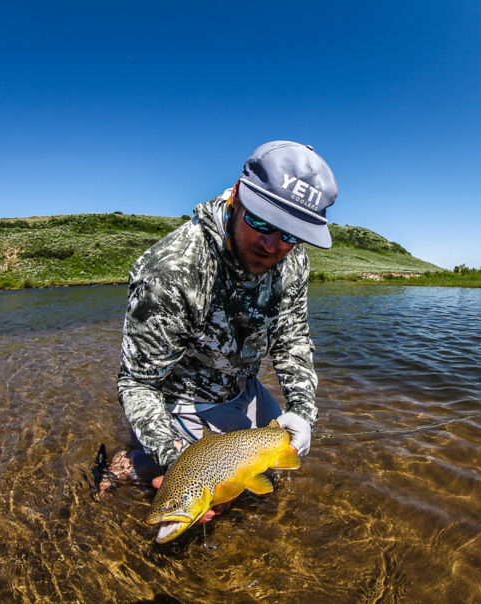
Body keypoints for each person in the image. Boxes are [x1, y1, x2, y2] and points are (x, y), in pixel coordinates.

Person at [104, 141, 338, 518]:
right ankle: (130, 464)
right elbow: (137, 383)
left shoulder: (293, 259)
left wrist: (302, 411)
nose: (272, 245)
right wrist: (179, 463)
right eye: (262, 222)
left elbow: (292, 337)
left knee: (279, 465)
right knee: (207, 498)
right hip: (184, 396)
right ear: (238, 195)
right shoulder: (170, 272)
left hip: (243, 385)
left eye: (291, 234)